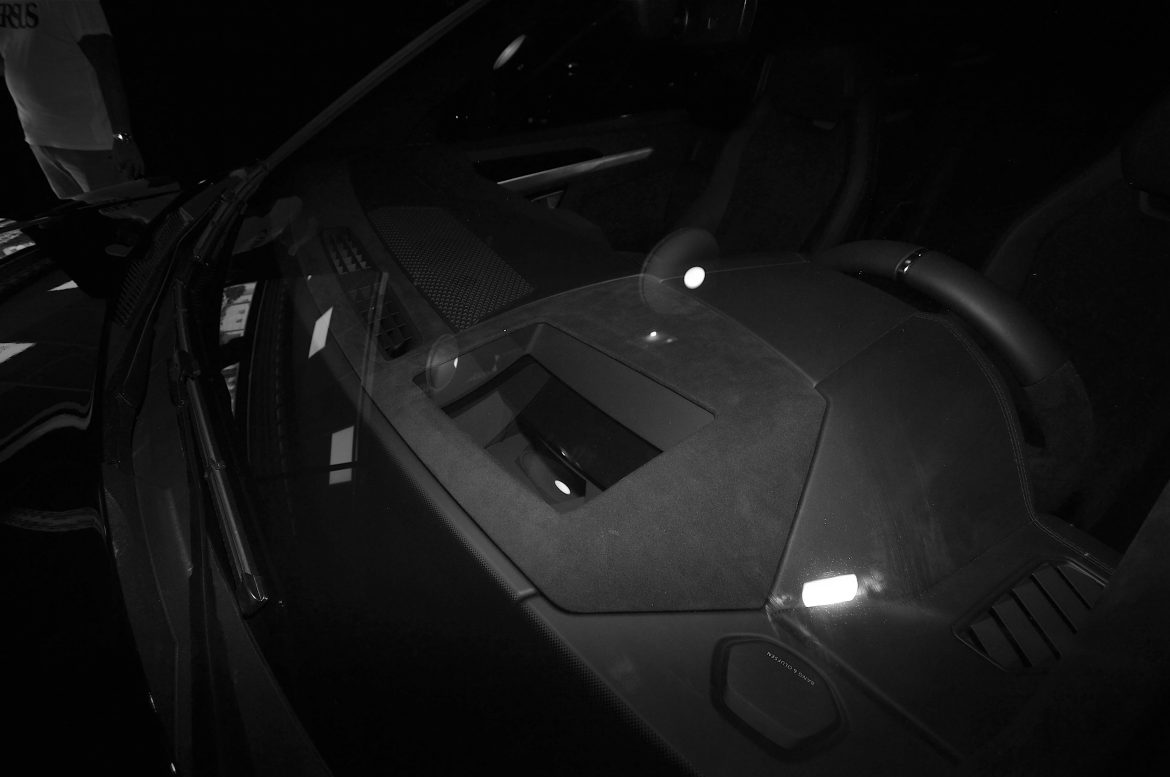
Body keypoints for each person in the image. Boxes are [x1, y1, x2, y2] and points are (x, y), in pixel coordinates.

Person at [0, 1, 144, 199]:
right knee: (79, 214)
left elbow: (106, 64)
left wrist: (122, 137)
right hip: (40, 138)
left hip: (90, 140)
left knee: (129, 211)